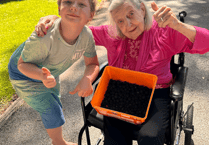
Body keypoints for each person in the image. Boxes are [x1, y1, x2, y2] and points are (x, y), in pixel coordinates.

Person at [35, 0, 209, 144]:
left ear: (142, 9)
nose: (127, 24)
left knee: (150, 137)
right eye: (119, 21)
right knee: (114, 139)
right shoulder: (112, 34)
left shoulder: (165, 32)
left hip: (156, 93)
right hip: (121, 93)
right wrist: (55, 20)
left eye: (131, 14)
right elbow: (77, 31)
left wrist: (178, 26)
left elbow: (206, 42)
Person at [8, 0, 99, 144]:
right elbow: (22, 64)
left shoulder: (86, 35)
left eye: (81, 4)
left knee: (55, 99)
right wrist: (41, 75)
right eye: (68, 2)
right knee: (52, 109)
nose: (74, 7)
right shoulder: (44, 37)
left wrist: (87, 79)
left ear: (91, 15)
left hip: (49, 71)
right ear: (59, 8)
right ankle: (58, 142)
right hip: (24, 75)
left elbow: (92, 64)